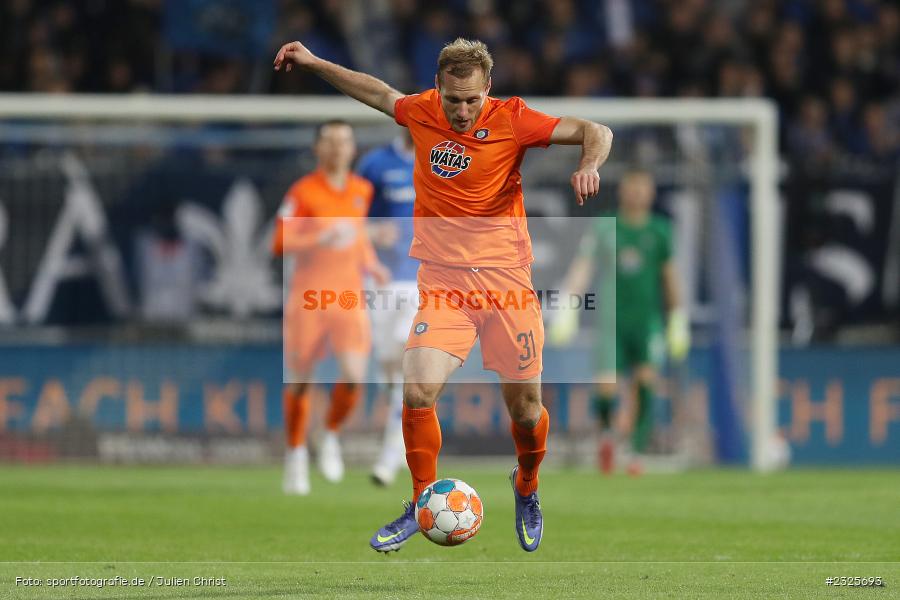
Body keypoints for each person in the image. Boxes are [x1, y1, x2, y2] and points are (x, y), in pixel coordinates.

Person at [274, 37, 612, 552]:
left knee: (526, 411)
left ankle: (526, 484)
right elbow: (377, 92)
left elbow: (597, 130)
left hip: (506, 285)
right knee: (416, 392)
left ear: (487, 89)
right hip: (444, 285)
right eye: (453, 99)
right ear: (438, 88)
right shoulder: (422, 112)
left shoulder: (513, 118)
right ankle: (419, 499)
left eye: (471, 99)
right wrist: (315, 62)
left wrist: (589, 164)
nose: (461, 110)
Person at [273, 120, 390, 495]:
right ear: (317, 150)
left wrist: (372, 263)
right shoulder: (303, 192)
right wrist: (317, 235)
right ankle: (294, 455)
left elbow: (355, 236)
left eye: (344, 141)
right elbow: (280, 239)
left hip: (348, 297)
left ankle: (330, 433)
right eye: (330, 141)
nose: (338, 148)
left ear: (353, 149)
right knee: (301, 380)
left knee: (355, 376)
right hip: (308, 299)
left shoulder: (361, 190)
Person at [552, 168, 689, 474]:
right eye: (632, 187)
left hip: (647, 321)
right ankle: (605, 436)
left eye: (644, 188)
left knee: (645, 383)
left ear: (651, 193)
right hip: (611, 322)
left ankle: (636, 454)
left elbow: (669, 278)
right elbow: (583, 266)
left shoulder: (660, 230)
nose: (638, 193)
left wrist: (677, 317)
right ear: (623, 191)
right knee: (606, 389)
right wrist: (568, 305)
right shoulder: (605, 227)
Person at [357, 129, 418, 487]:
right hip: (381, 281)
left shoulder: (446, 161)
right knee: (387, 366)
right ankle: (393, 443)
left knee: (408, 366)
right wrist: (372, 233)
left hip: (422, 280)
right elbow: (348, 218)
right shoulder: (375, 164)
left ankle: (389, 458)